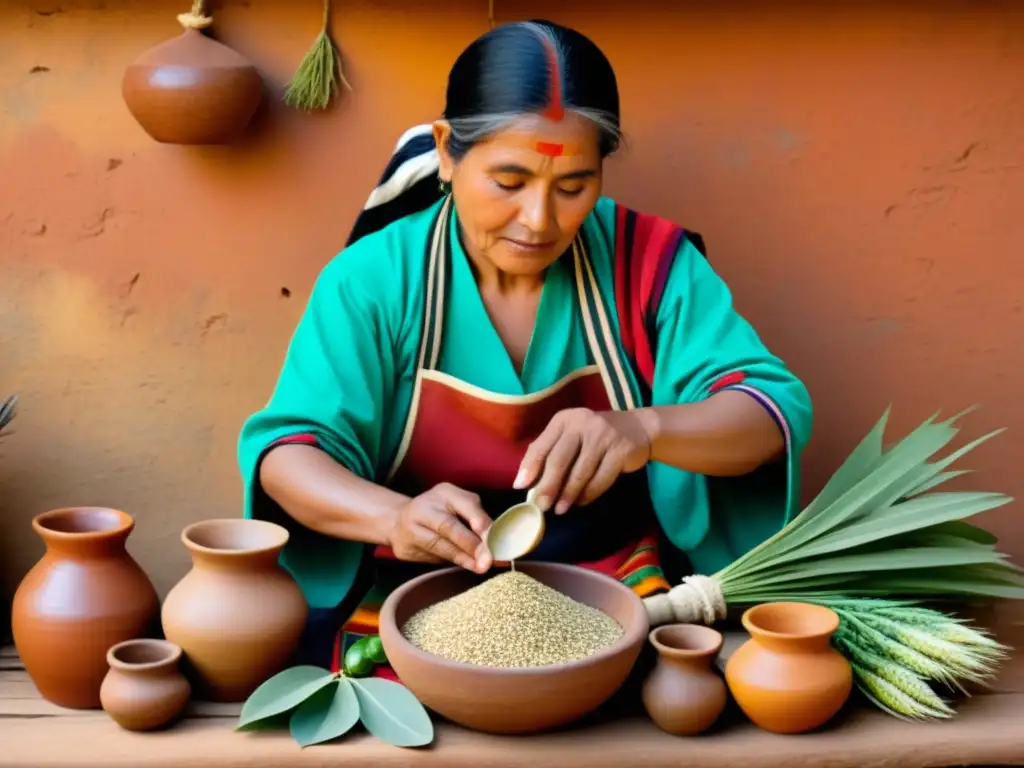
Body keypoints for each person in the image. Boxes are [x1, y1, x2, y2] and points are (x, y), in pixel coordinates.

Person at [238, 19, 813, 677]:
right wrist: (393, 516)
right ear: (447, 152)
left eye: (573, 187)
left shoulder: (648, 265)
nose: (540, 220)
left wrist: (644, 430)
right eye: (509, 182)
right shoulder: (374, 280)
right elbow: (288, 456)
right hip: (413, 587)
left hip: (618, 587)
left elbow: (770, 410)